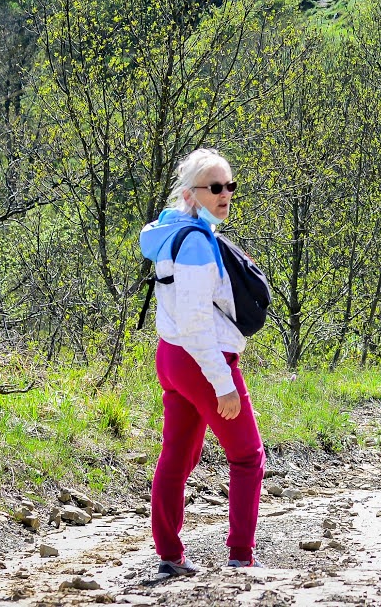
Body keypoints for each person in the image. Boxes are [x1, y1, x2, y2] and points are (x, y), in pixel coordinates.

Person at [137, 148, 265, 575]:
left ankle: (169, 556)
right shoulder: (195, 243)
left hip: (171, 357)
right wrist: (223, 382)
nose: (225, 194)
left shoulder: (172, 233)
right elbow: (195, 323)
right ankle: (240, 558)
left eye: (230, 186)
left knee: (177, 456)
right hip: (198, 359)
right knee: (248, 456)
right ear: (192, 194)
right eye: (215, 187)